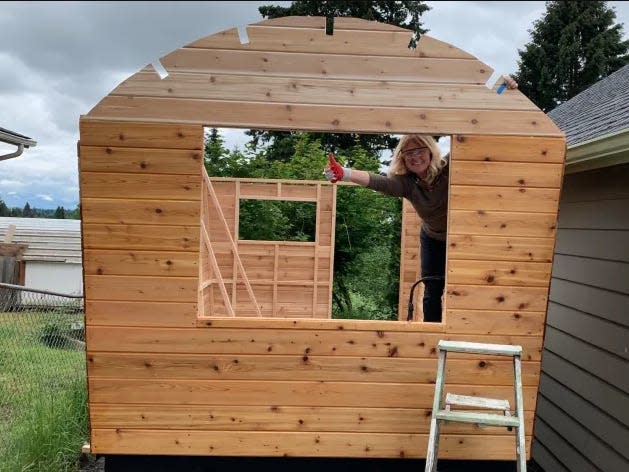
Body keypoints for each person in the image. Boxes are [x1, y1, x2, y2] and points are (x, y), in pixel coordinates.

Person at [324, 77, 519, 322]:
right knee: (432, 289)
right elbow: (378, 181)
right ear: (403, 159)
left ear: (430, 151)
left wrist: (500, 92)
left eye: (419, 151)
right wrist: (345, 173)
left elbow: (476, 131)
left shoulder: (450, 167)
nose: (415, 157)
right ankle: (432, 338)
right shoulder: (407, 184)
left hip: (464, 236)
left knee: (472, 285)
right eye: (409, 154)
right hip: (433, 239)